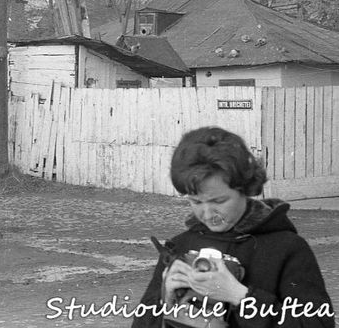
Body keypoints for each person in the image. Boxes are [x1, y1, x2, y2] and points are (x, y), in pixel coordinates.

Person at [132, 127, 334, 328]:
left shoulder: (287, 249)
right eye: (196, 202)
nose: (208, 214)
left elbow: (318, 324)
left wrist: (240, 296)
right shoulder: (179, 246)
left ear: (245, 189)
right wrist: (165, 299)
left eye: (219, 201)